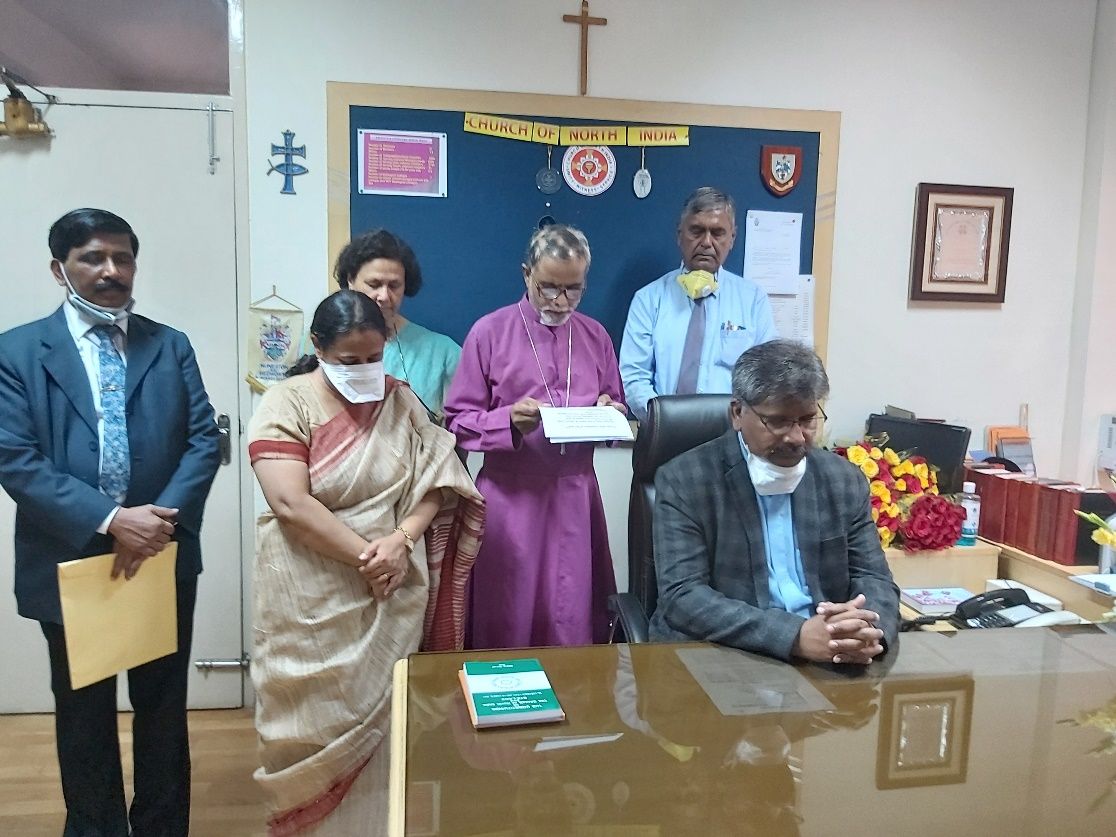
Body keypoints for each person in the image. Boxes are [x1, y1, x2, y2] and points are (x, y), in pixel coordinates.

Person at [0, 208, 221, 835]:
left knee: (162, 705)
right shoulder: (17, 351)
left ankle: (161, 826)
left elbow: (203, 441)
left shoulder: (169, 344)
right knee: (83, 710)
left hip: (160, 553)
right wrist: (111, 520)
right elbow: (15, 458)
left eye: (122, 258)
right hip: (71, 558)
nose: (111, 271)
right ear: (59, 269)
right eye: (93, 258)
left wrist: (154, 526)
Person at [247, 289, 484, 835]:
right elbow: (290, 503)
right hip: (309, 601)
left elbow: (441, 478)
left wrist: (401, 540)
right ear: (318, 348)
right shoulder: (286, 402)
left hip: (390, 598)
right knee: (307, 732)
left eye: (373, 357)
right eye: (349, 360)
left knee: (391, 733)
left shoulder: (400, 400)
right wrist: (369, 558)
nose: (364, 370)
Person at [649, 339, 899, 664]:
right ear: (737, 413)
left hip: (829, 655)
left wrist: (866, 630)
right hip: (726, 653)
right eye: (778, 421)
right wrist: (794, 637)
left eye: (807, 420)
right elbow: (683, 596)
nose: (796, 437)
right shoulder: (685, 479)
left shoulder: (842, 480)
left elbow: (874, 578)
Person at [443, 224, 625, 649]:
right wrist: (506, 421)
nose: (560, 301)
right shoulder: (489, 332)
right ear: (526, 274)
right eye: (549, 288)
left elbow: (615, 403)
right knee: (508, 614)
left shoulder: (595, 335)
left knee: (570, 614)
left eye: (573, 290)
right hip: (511, 498)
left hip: (575, 496)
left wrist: (610, 413)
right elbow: (458, 422)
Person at [619, 186, 779, 422]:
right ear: (679, 234)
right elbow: (634, 376)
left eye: (717, 233)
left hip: (730, 430)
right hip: (664, 430)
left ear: (732, 238)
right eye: (696, 231)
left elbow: (765, 376)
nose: (706, 242)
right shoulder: (649, 299)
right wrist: (663, 420)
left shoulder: (753, 300)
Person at [334, 228, 461, 422]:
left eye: (394, 286)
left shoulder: (444, 354)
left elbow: (464, 426)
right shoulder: (325, 344)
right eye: (374, 284)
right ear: (350, 280)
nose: (384, 296)